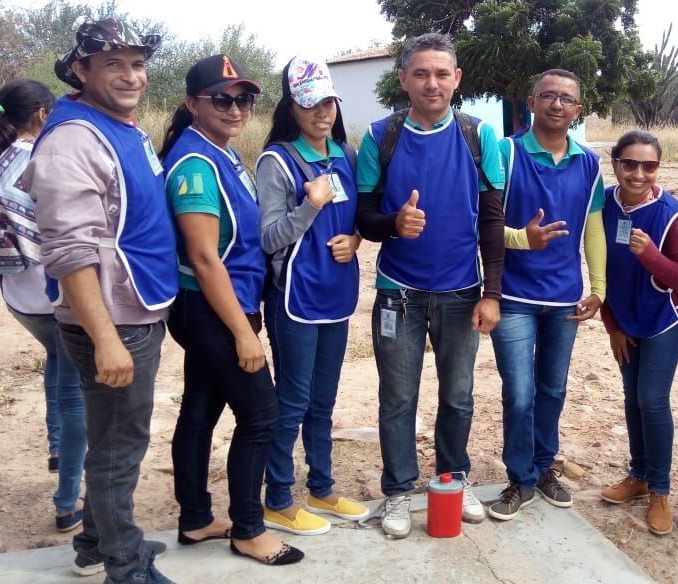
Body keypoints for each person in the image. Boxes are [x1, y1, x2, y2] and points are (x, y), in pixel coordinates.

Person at [24, 19, 178, 583]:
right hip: (113, 322)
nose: (131, 75)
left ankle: (95, 541)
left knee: (117, 439)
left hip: (134, 307)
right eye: (113, 64)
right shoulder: (72, 142)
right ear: (81, 70)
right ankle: (125, 564)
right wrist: (107, 339)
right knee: (118, 448)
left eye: (137, 64)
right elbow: (69, 251)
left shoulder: (118, 127)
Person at [354, 32, 506, 539]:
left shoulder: (478, 136)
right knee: (398, 398)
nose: (431, 83)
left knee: (458, 396)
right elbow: (364, 216)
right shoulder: (380, 136)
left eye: (442, 73)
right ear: (404, 79)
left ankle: (451, 480)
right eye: (420, 73)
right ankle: (398, 490)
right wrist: (394, 224)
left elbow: (492, 221)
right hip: (398, 292)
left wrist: (492, 293)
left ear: (457, 78)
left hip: (462, 292)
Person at [159, 54, 303, 566]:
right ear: (193, 104)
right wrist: (243, 333)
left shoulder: (221, 152)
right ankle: (248, 529)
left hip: (221, 306)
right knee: (262, 415)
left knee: (200, 410)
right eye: (222, 99)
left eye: (244, 99)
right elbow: (203, 258)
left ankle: (196, 518)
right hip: (210, 309)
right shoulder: (196, 165)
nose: (236, 108)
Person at [485, 69, 606, 522]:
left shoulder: (589, 164)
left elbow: (593, 228)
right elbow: (485, 221)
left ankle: (542, 467)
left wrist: (599, 288)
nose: (557, 104)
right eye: (548, 96)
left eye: (567, 99)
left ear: (579, 110)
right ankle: (520, 478)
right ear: (531, 102)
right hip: (513, 295)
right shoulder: (506, 152)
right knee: (519, 393)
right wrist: (523, 239)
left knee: (552, 389)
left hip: (564, 299)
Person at [256, 55, 368, 535]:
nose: (321, 112)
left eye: (328, 103)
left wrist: (356, 239)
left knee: (324, 401)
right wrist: (309, 205)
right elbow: (268, 238)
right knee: (293, 401)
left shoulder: (346, 154)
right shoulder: (276, 160)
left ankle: (321, 487)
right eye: (309, 104)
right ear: (292, 108)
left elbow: (358, 218)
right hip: (295, 298)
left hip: (336, 294)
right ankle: (278, 499)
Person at [0, 79, 87, 533]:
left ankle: (58, 446)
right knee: (77, 391)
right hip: (58, 292)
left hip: (18, 298)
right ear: (43, 114)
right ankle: (67, 502)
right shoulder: (46, 160)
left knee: (57, 357)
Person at [596, 131, 678, 535]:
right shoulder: (603, 203)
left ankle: (659, 489)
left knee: (652, 400)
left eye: (649, 165)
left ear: (658, 168)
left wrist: (650, 256)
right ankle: (638, 475)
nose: (638, 173)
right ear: (616, 164)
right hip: (625, 317)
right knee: (632, 397)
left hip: (665, 317)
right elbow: (600, 267)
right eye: (630, 164)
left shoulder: (671, 214)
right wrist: (612, 325)